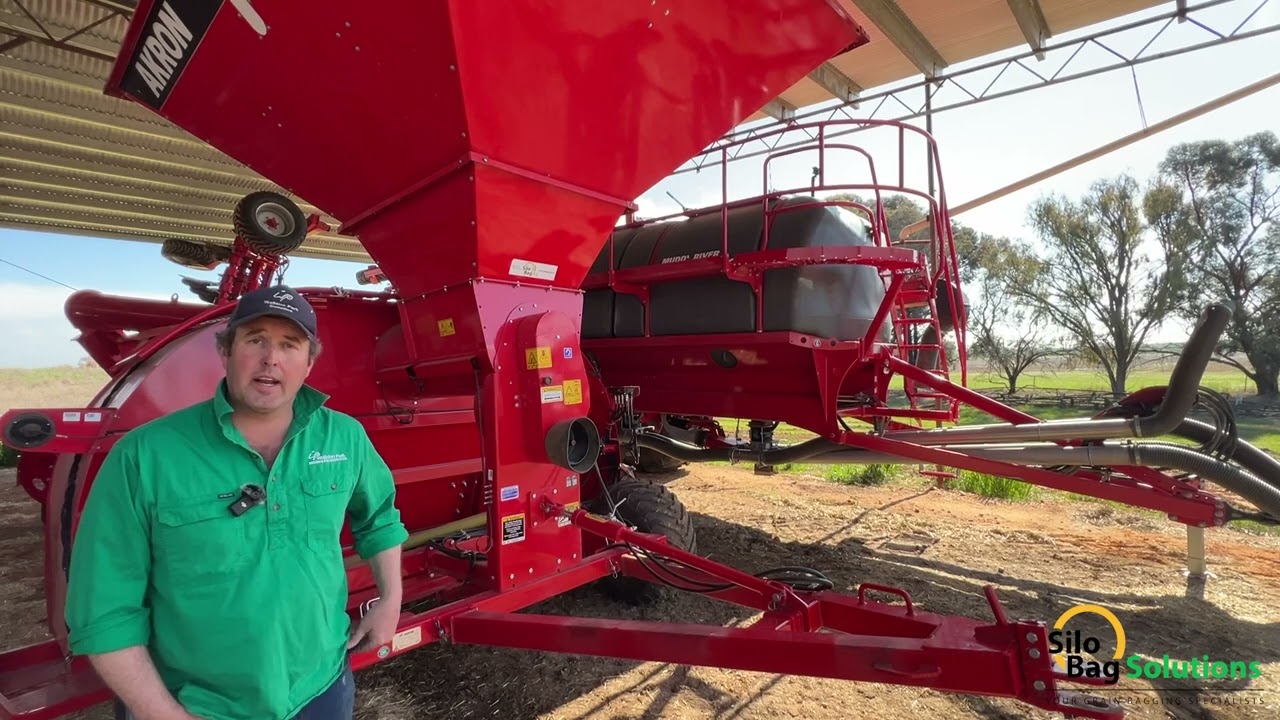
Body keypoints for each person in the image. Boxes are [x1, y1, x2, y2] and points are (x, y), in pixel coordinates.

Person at [64, 284, 409, 720]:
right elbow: (104, 609)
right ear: (225, 351)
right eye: (255, 340)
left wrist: (390, 598)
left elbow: (379, 519)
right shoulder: (145, 456)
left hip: (321, 687)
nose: (271, 358)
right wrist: (162, 713)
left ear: (309, 362)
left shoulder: (343, 437)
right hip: (197, 704)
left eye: (290, 344)